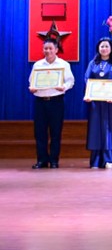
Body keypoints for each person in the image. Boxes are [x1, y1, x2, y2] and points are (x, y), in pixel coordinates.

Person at [28, 38, 75, 169]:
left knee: (56, 132)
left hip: (56, 101)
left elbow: (70, 81)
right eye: (45, 48)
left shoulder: (64, 64)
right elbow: (31, 81)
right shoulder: (37, 65)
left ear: (56, 50)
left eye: (50, 48)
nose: (48, 51)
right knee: (40, 132)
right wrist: (32, 88)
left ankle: (54, 160)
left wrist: (64, 87)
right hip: (40, 102)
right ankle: (42, 160)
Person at [84, 37, 112, 169]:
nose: (104, 49)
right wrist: (88, 94)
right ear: (98, 48)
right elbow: (87, 79)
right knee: (96, 129)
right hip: (96, 102)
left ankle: (109, 159)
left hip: (111, 102)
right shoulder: (93, 63)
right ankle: (96, 160)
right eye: (102, 46)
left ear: (111, 48)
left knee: (109, 129)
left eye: (106, 46)